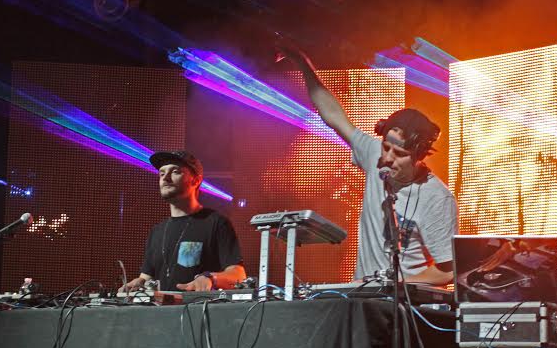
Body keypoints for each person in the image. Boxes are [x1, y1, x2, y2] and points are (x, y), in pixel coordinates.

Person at [280, 45, 458, 284]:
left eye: (400, 153)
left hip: (405, 301)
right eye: (386, 147)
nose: (388, 158)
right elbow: (333, 116)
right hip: (363, 294)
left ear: (419, 156)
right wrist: (302, 62)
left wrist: (396, 287)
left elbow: (448, 270)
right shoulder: (375, 155)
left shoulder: (436, 198)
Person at [121, 150, 246, 292]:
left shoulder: (216, 223)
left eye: (175, 172)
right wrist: (138, 283)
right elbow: (146, 277)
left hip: (198, 306)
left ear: (196, 180)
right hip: (159, 307)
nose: (165, 178)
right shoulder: (157, 231)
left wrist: (210, 278)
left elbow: (238, 275)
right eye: (162, 173)